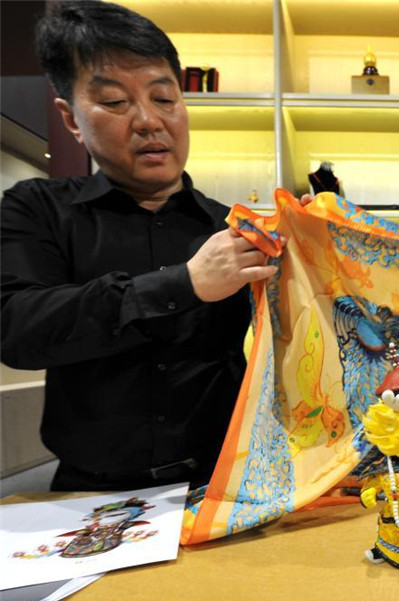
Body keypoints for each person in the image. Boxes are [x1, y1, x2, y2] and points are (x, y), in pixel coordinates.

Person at [0, 1, 279, 491]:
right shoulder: (37, 208)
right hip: (90, 492)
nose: (149, 121)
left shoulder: (231, 228)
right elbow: (17, 329)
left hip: (223, 484)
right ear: (70, 118)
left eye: (164, 98)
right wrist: (183, 284)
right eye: (114, 102)